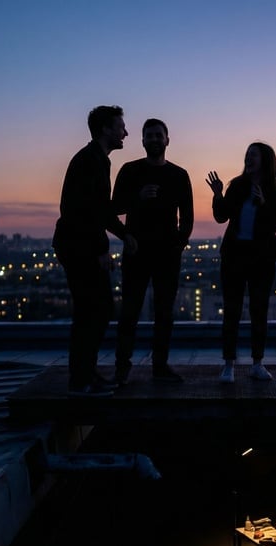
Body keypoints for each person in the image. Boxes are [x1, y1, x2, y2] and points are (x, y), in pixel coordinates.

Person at [52, 105, 137, 397]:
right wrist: (103, 247)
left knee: (94, 310)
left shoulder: (96, 159)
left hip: (76, 244)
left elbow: (99, 210)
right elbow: (86, 211)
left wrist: (124, 234)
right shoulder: (91, 160)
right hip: (79, 246)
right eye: (120, 126)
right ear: (105, 129)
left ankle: (85, 375)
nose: (125, 132)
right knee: (96, 310)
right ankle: (82, 379)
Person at [112, 118, 194, 385]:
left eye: (159, 135)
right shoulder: (129, 171)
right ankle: (122, 367)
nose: (155, 139)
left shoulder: (180, 175)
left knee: (164, 313)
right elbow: (113, 208)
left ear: (167, 140)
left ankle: (160, 366)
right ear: (143, 140)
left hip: (167, 255)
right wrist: (138, 198)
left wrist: (177, 246)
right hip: (136, 252)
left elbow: (188, 218)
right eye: (150, 135)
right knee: (130, 312)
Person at [206, 142, 276, 383]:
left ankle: (257, 363)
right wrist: (218, 194)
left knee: (258, 311)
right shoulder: (238, 185)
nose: (248, 158)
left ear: (265, 160)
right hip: (234, 257)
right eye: (247, 155)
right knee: (231, 311)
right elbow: (221, 217)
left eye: (253, 155)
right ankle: (229, 365)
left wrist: (263, 203)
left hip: (262, 259)